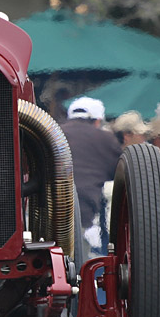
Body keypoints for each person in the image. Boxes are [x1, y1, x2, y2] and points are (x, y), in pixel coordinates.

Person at [59, 96, 122, 252]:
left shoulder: (54, 132)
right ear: (97, 121)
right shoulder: (106, 139)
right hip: (88, 212)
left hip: (51, 211)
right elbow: (119, 176)